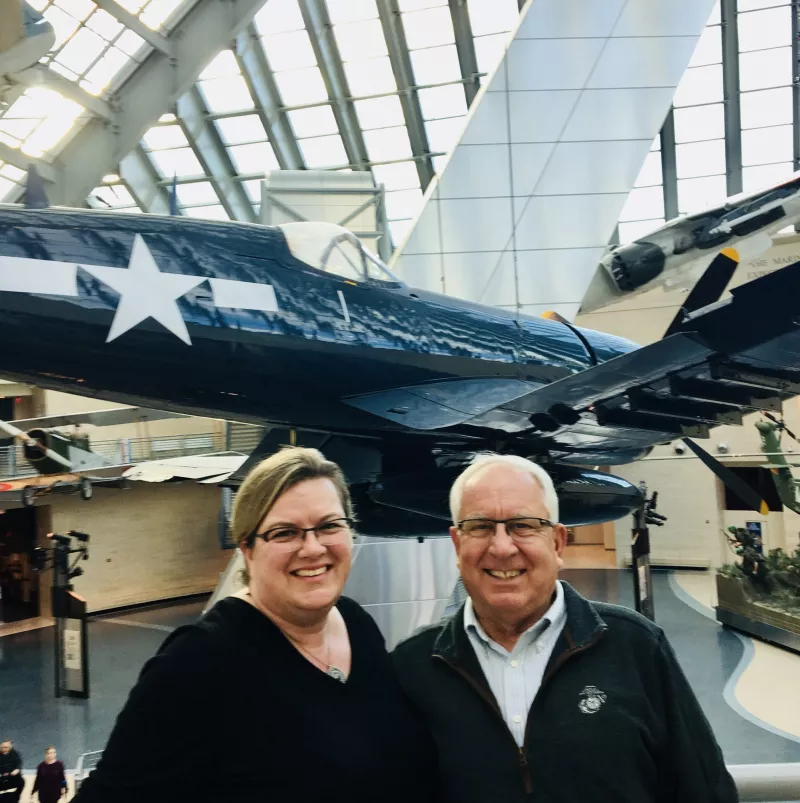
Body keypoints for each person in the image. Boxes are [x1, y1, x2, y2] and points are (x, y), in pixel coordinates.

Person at [74, 446, 436, 803]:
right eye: (284, 533)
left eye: (328, 526)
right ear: (247, 548)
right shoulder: (200, 662)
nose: (312, 548)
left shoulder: (356, 623)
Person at [393, 454, 739, 803]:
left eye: (523, 525)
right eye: (480, 527)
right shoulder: (414, 667)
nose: (500, 547)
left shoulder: (636, 647)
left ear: (558, 543)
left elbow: (704, 788)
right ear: (457, 543)